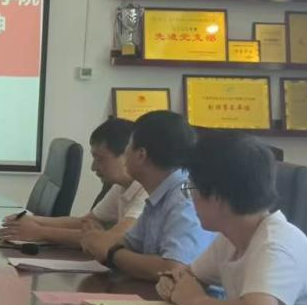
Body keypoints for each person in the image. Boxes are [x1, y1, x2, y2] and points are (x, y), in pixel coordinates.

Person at [157, 131, 307, 305]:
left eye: (191, 189)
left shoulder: (275, 244)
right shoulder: (231, 237)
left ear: (216, 197)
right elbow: (189, 275)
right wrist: (173, 281)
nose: (190, 200)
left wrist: (198, 300)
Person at [81, 110, 213, 281]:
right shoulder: (159, 194)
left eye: (128, 146)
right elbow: (131, 244)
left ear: (141, 155)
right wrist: (97, 239)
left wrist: (111, 253)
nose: (124, 153)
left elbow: (173, 269)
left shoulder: (185, 198)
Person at [0, 117, 146, 250]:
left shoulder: (146, 191)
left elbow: (112, 239)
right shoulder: (121, 186)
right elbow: (86, 221)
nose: (93, 167)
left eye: (100, 159)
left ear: (127, 155)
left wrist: (39, 231)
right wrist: (32, 220)